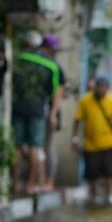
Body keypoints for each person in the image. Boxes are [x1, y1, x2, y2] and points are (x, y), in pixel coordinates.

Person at [12, 31, 63, 194]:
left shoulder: (17, 59)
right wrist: (54, 113)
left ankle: (13, 184)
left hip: (17, 106)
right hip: (37, 109)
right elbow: (57, 92)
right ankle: (30, 185)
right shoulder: (51, 65)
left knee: (16, 146)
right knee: (35, 146)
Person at [72, 75, 112, 207]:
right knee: (92, 174)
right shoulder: (85, 101)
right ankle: (93, 196)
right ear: (94, 87)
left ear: (108, 88)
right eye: (99, 86)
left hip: (109, 144)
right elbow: (77, 120)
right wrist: (75, 138)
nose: (101, 89)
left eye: (103, 87)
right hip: (90, 144)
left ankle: (108, 196)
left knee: (109, 174)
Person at [39, 34, 67, 188]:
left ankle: (49, 180)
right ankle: (42, 179)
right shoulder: (41, 64)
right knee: (37, 147)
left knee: (48, 147)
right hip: (38, 110)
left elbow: (59, 92)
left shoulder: (54, 67)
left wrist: (53, 113)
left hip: (49, 112)